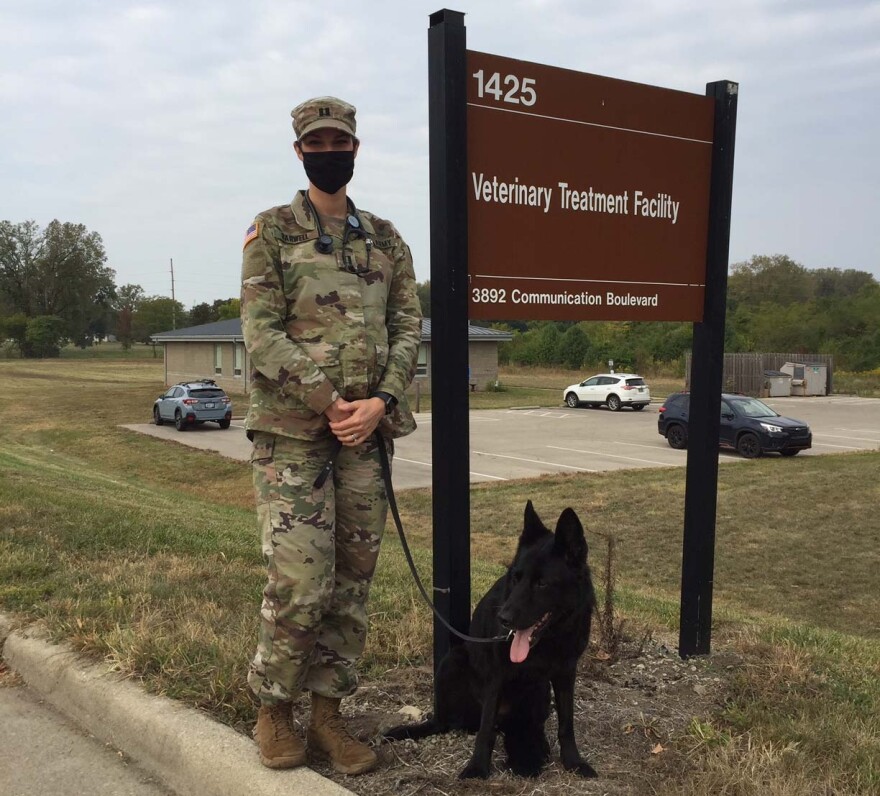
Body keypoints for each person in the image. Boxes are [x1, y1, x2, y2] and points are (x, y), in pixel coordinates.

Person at [240, 96, 422, 775]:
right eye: (317, 141)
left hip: (366, 436)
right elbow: (260, 333)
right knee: (301, 579)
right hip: (294, 435)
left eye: (339, 140)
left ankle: (328, 717)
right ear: (299, 151)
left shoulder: (386, 239)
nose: (329, 150)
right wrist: (329, 400)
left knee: (352, 581)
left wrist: (381, 401)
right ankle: (274, 707)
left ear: (355, 147)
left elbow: (408, 328)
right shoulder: (273, 232)